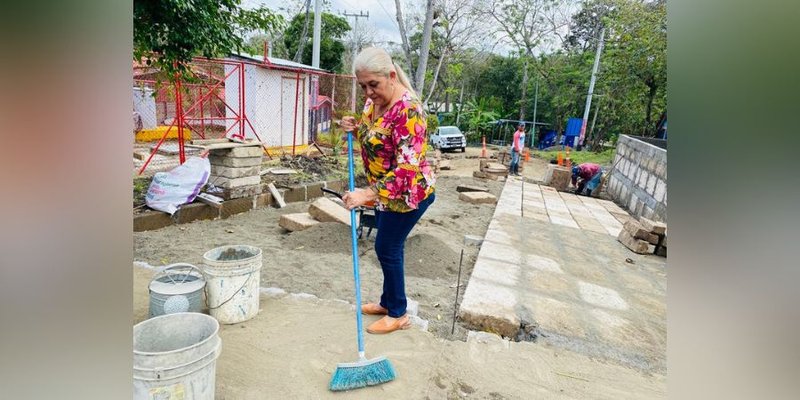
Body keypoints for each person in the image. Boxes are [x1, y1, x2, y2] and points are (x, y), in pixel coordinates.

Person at [339, 47, 436, 335]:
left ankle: (398, 312)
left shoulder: (408, 111)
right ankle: (387, 301)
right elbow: (376, 136)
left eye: (373, 85)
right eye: (363, 86)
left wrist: (365, 194)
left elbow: (407, 170)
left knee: (387, 248)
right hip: (385, 194)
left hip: (408, 193)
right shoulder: (375, 103)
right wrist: (354, 128)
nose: (368, 93)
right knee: (388, 247)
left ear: (391, 76)